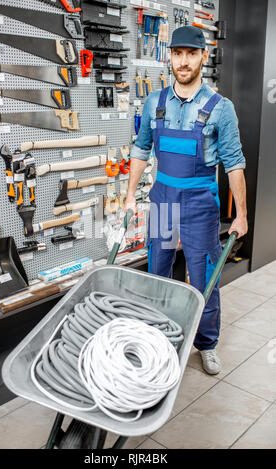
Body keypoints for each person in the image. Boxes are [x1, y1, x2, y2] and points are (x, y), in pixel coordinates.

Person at [125, 26, 248, 375]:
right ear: (170, 56)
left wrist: (241, 215)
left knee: (203, 276)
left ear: (203, 56)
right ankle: (155, 337)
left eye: (191, 53)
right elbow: (140, 149)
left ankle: (206, 344)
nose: (183, 61)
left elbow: (234, 163)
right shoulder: (154, 102)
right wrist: (131, 195)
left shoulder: (221, 108)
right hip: (163, 200)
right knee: (158, 272)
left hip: (199, 205)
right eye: (177, 53)